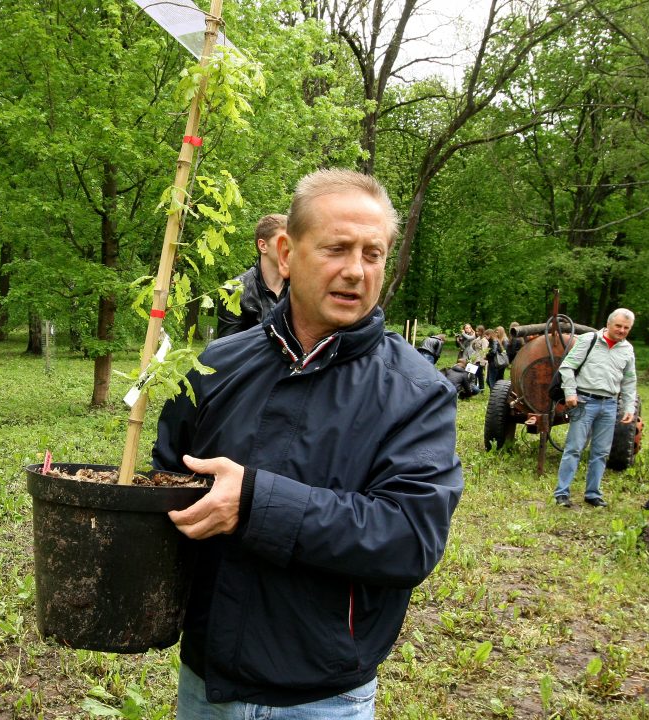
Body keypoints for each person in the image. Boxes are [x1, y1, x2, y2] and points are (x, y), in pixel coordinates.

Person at [152, 169, 463, 718]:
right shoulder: (212, 368)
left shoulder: (416, 392)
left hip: (322, 696)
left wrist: (252, 503)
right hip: (205, 683)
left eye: (373, 254)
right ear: (286, 253)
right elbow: (164, 486)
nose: (355, 271)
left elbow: (410, 537)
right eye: (337, 249)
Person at [552, 309, 637, 508]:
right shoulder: (589, 340)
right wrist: (570, 392)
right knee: (574, 448)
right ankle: (562, 493)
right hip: (584, 401)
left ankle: (593, 493)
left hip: (609, 404)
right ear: (609, 324)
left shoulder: (627, 349)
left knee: (601, 452)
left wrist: (629, 407)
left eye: (626, 328)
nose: (622, 330)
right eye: (618, 326)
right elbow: (568, 366)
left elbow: (629, 380)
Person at [216, 214, 289, 338]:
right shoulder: (233, 292)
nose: (291, 247)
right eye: (284, 241)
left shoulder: (301, 288)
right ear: (263, 246)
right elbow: (229, 351)